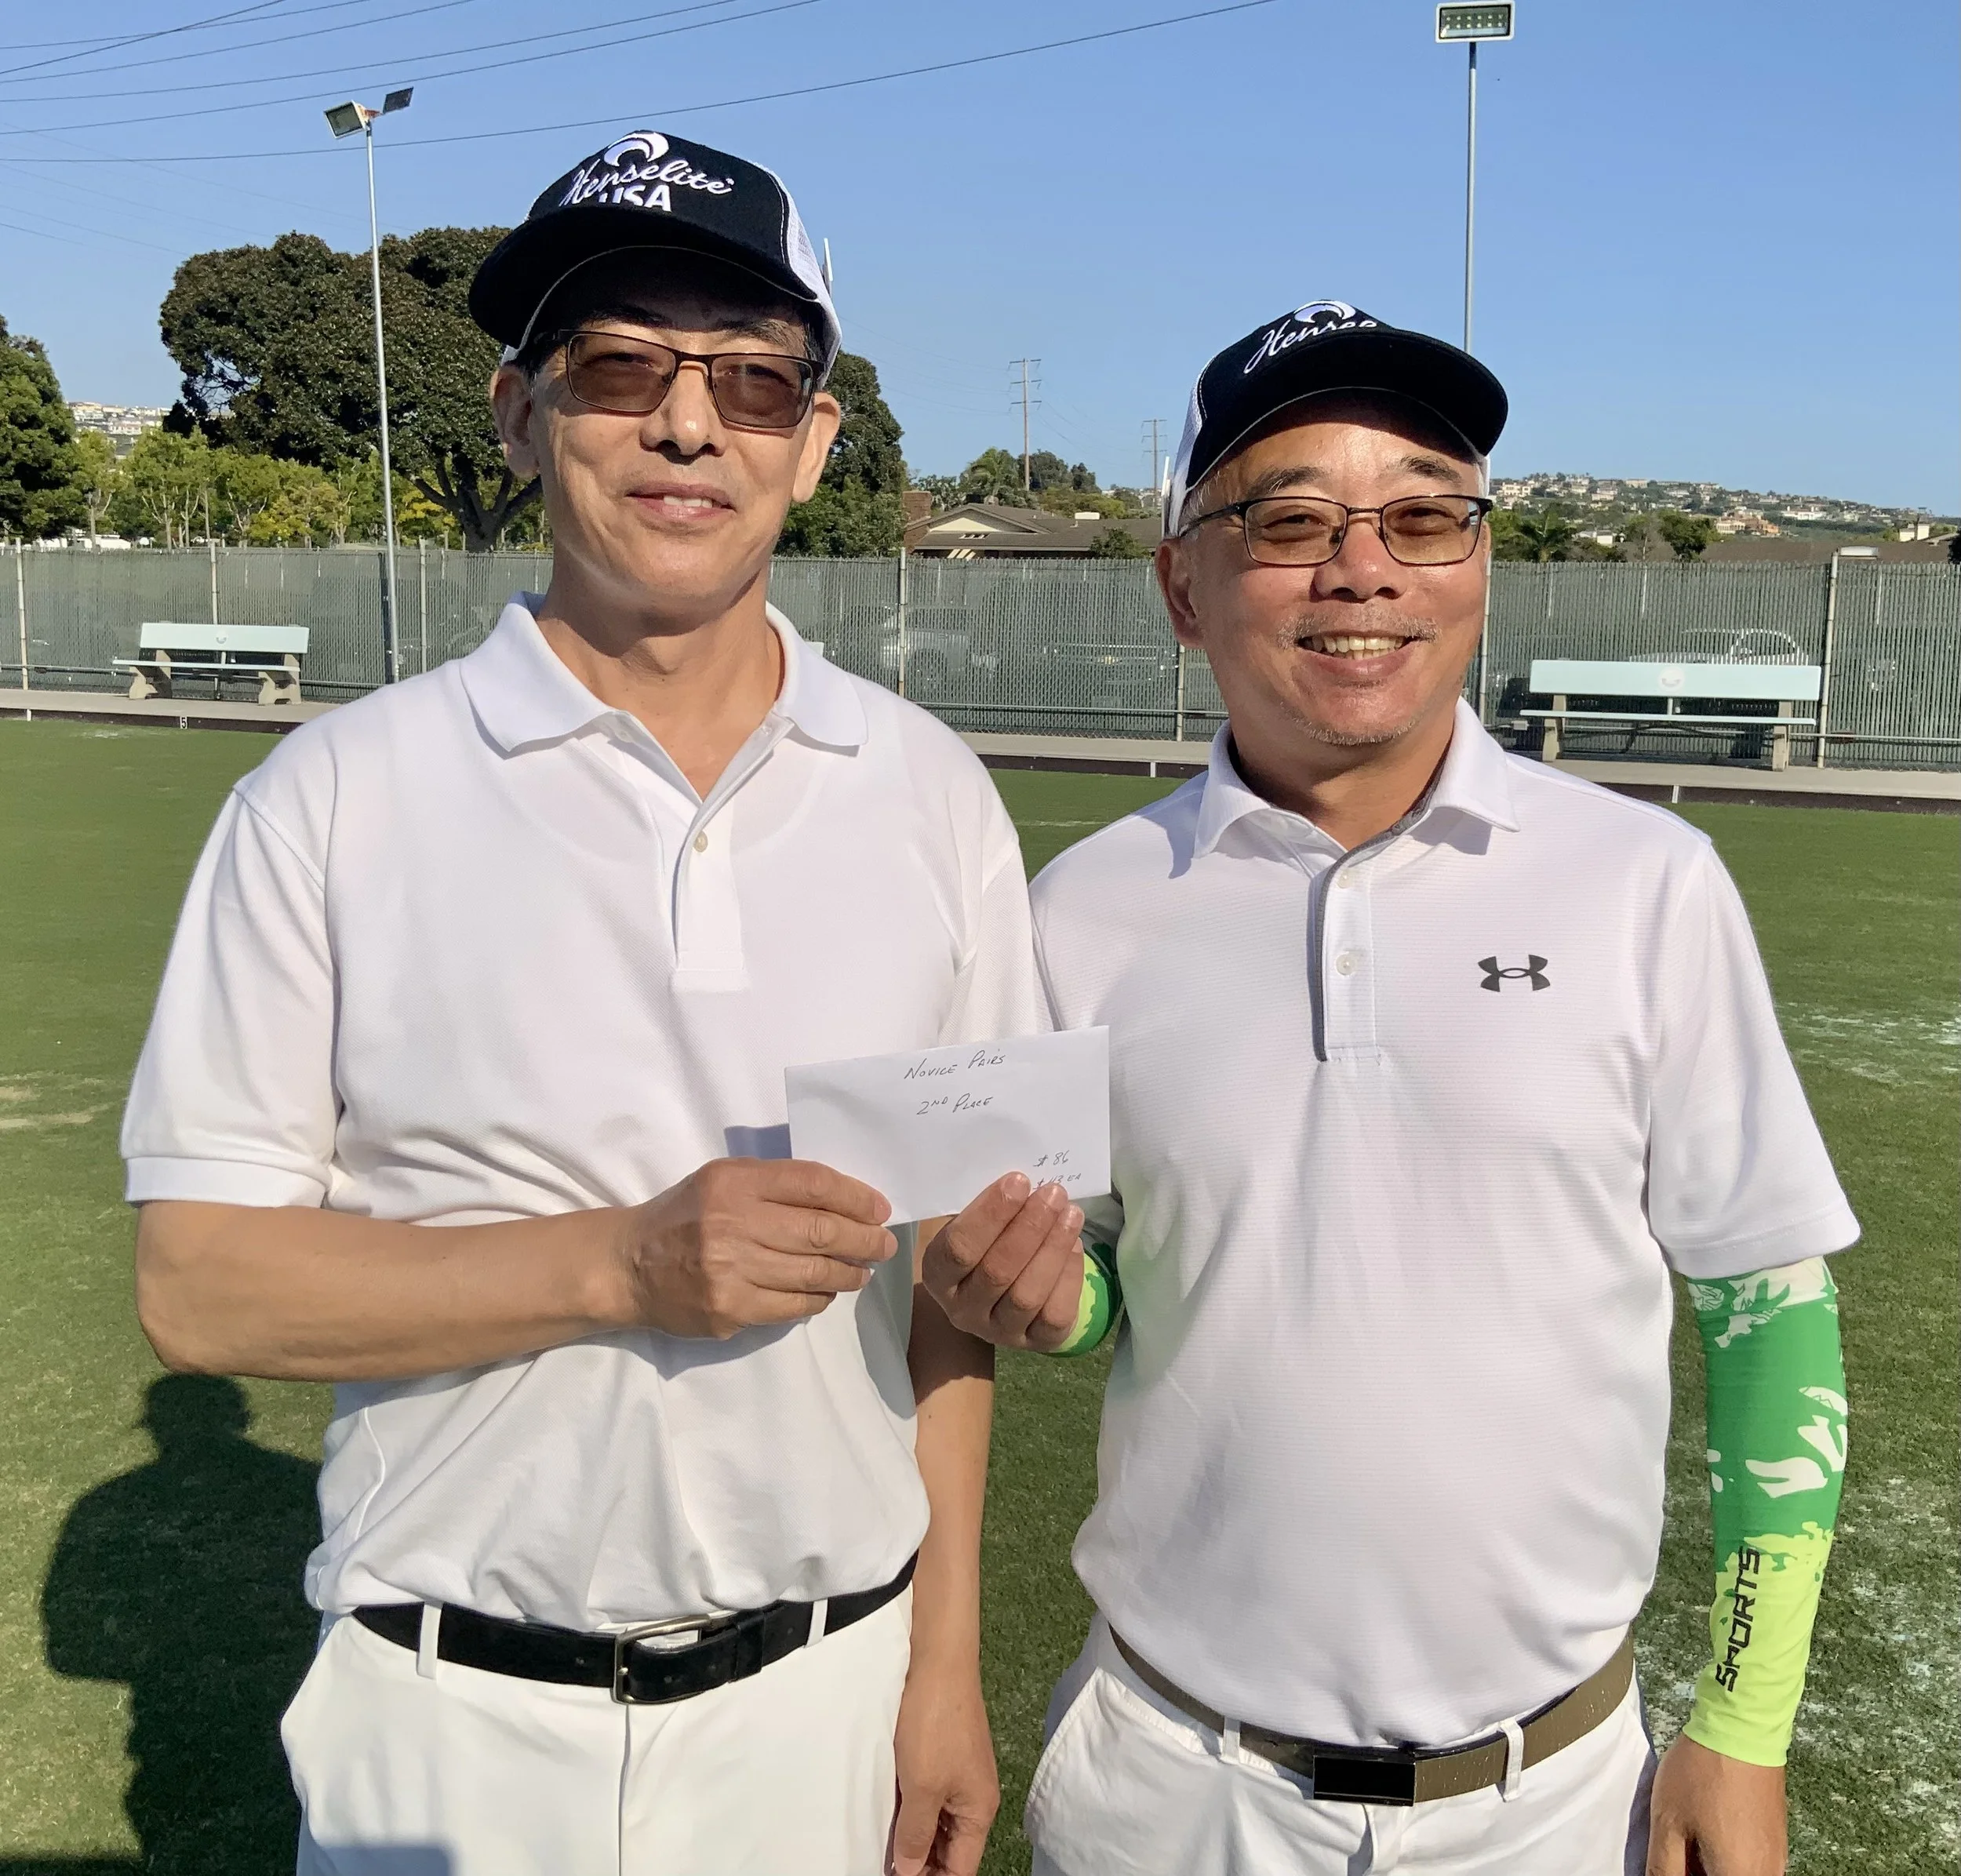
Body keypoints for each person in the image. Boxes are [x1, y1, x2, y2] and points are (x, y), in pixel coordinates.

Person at [124, 126, 1056, 1876]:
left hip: (822, 1698)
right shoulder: (333, 799)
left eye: (753, 381)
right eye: (622, 364)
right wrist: (619, 1264)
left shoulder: (930, 794)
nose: (689, 423)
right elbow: (200, 1283)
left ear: (816, 439)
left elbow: (957, 1291)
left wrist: (942, 1666)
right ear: (517, 410)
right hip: (448, 1721)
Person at [922, 300, 1856, 1876]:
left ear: (1477, 559)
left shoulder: (1645, 884)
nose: (1363, 568)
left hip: (1554, 1797)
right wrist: (1035, 1293)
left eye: (1424, 514)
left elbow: (1768, 1311)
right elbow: (1100, 1289)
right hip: (1169, 1783)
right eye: (1287, 518)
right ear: (1180, 583)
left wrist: (1746, 1727)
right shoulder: (1079, 908)